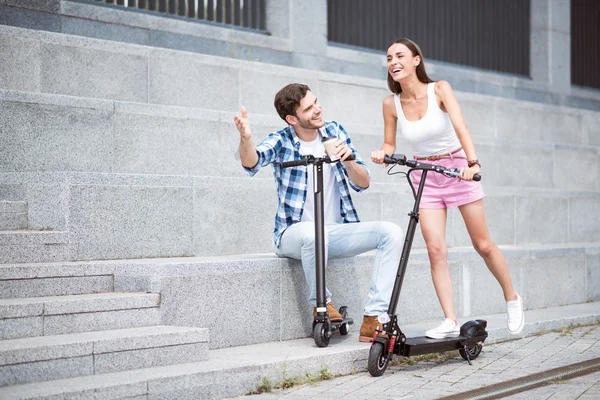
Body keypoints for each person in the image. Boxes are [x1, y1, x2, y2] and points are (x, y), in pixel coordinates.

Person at [371, 38, 525, 338]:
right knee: (435, 250)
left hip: (456, 168)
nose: (393, 62)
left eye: (400, 55)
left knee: (482, 244)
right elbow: (390, 142)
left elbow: (460, 126)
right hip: (424, 174)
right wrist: (382, 151)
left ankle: (512, 298)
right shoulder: (390, 104)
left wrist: (473, 163)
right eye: (389, 58)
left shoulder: (439, 89)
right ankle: (450, 319)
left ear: (416, 60)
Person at [235, 83, 403, 342]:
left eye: (316, 102)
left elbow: (363, 182)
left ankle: (373, 318)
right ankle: (322, 304)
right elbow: (252, 162)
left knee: (391, 232)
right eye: (309, 108)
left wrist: (348, 160)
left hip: (335, 230)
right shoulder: (282, 140)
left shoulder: (333, 130)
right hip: (293, 234)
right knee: (314, 234)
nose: (318, 109)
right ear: (292, 118)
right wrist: (246, 139)